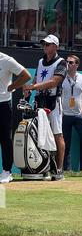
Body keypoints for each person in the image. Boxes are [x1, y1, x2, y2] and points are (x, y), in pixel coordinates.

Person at [23, 35, 67, 181]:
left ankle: (59, 170)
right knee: (39, 134)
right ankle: (43, 167)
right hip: (40, 100)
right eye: (44, 44)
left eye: (48, 44)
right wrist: (30, 88)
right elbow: (37, 77)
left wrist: (33, 86)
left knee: (57, 134)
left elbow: (54, 82)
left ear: (56, 46)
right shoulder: (40, 61)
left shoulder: (61, 62)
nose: (45, 47)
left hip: (54, 101)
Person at [0, 53, 31, 184]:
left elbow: (26, 76)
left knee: (5, 138)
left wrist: (12, 87)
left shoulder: (6, 60)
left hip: (3, 104)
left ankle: (7, 171)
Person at [62, 55, 82, 171]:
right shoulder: (62, 77)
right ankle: (65, 169)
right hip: (65, 115)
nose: (68, 64)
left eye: (71, 62)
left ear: (77, 64)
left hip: (79, 115)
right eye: (67, 62)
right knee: (65, 144)